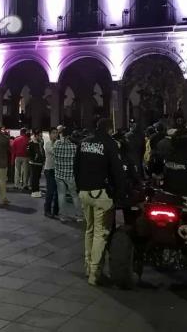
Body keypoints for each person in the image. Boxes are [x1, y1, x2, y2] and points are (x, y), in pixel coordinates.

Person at [75, 118, 126, 286]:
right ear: (110, 130)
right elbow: (117, 171)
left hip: (84, 192)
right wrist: (120, 193)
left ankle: (88, 265)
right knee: (100, 233)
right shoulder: (110, 144)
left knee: (89, 230)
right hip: (100, 194)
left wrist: (79, 187)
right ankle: (95, 273)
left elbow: (76, 167)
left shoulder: (83, 143)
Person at [53, 127, 82, 223]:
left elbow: (54, 156)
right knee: (74, 195)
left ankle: (63, 216)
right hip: (70, 175)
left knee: (61, 195)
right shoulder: (74, 147)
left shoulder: (56, 144)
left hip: (59, 174)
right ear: (70, 136)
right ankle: (79, 216)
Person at [43, 128, 59, 218]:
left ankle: (56, 210)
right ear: (49, 135)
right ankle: (47, 210)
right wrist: (58, 144)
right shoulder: (48, 144)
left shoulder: (58, 142)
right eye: (53, 133)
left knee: (57, 191)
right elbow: (54, 152)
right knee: (50, 191)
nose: (55, 135)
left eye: (56, 133)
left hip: (57, 169)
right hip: (49, 170)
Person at [27, 130, 45, 198]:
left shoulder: (40, 142)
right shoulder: (31, 143)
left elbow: (42, 151)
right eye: (40, 136)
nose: (41, 137)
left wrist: (43, 159)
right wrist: (34, 157)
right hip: (34, 163)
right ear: (36, 135)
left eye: (41, 136)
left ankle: (37, 190)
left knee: (37, 177)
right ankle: (34, 191)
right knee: (34, 177)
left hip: (39, 163)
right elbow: (28, 152)